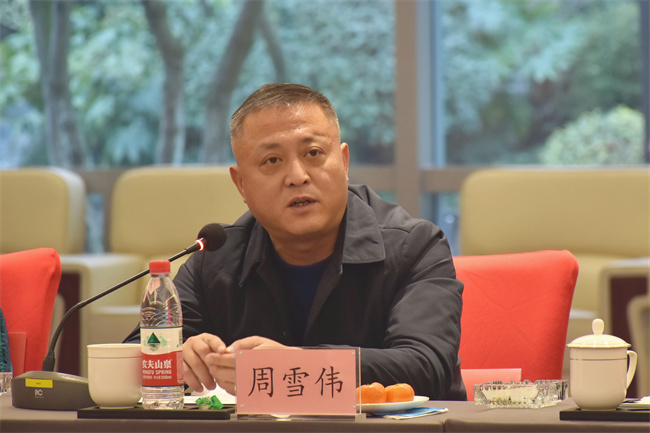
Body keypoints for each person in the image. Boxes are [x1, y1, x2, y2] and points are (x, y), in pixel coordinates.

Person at [126, 83, 466, 400]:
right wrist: (177, 357)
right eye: (272, 161)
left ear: (344, 162)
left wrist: (296, 365)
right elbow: (132, 358)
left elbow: (426, 366)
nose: (297, 176)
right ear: (241, 184)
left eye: (313, 153)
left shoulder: (415, 247)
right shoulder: (215, 258)